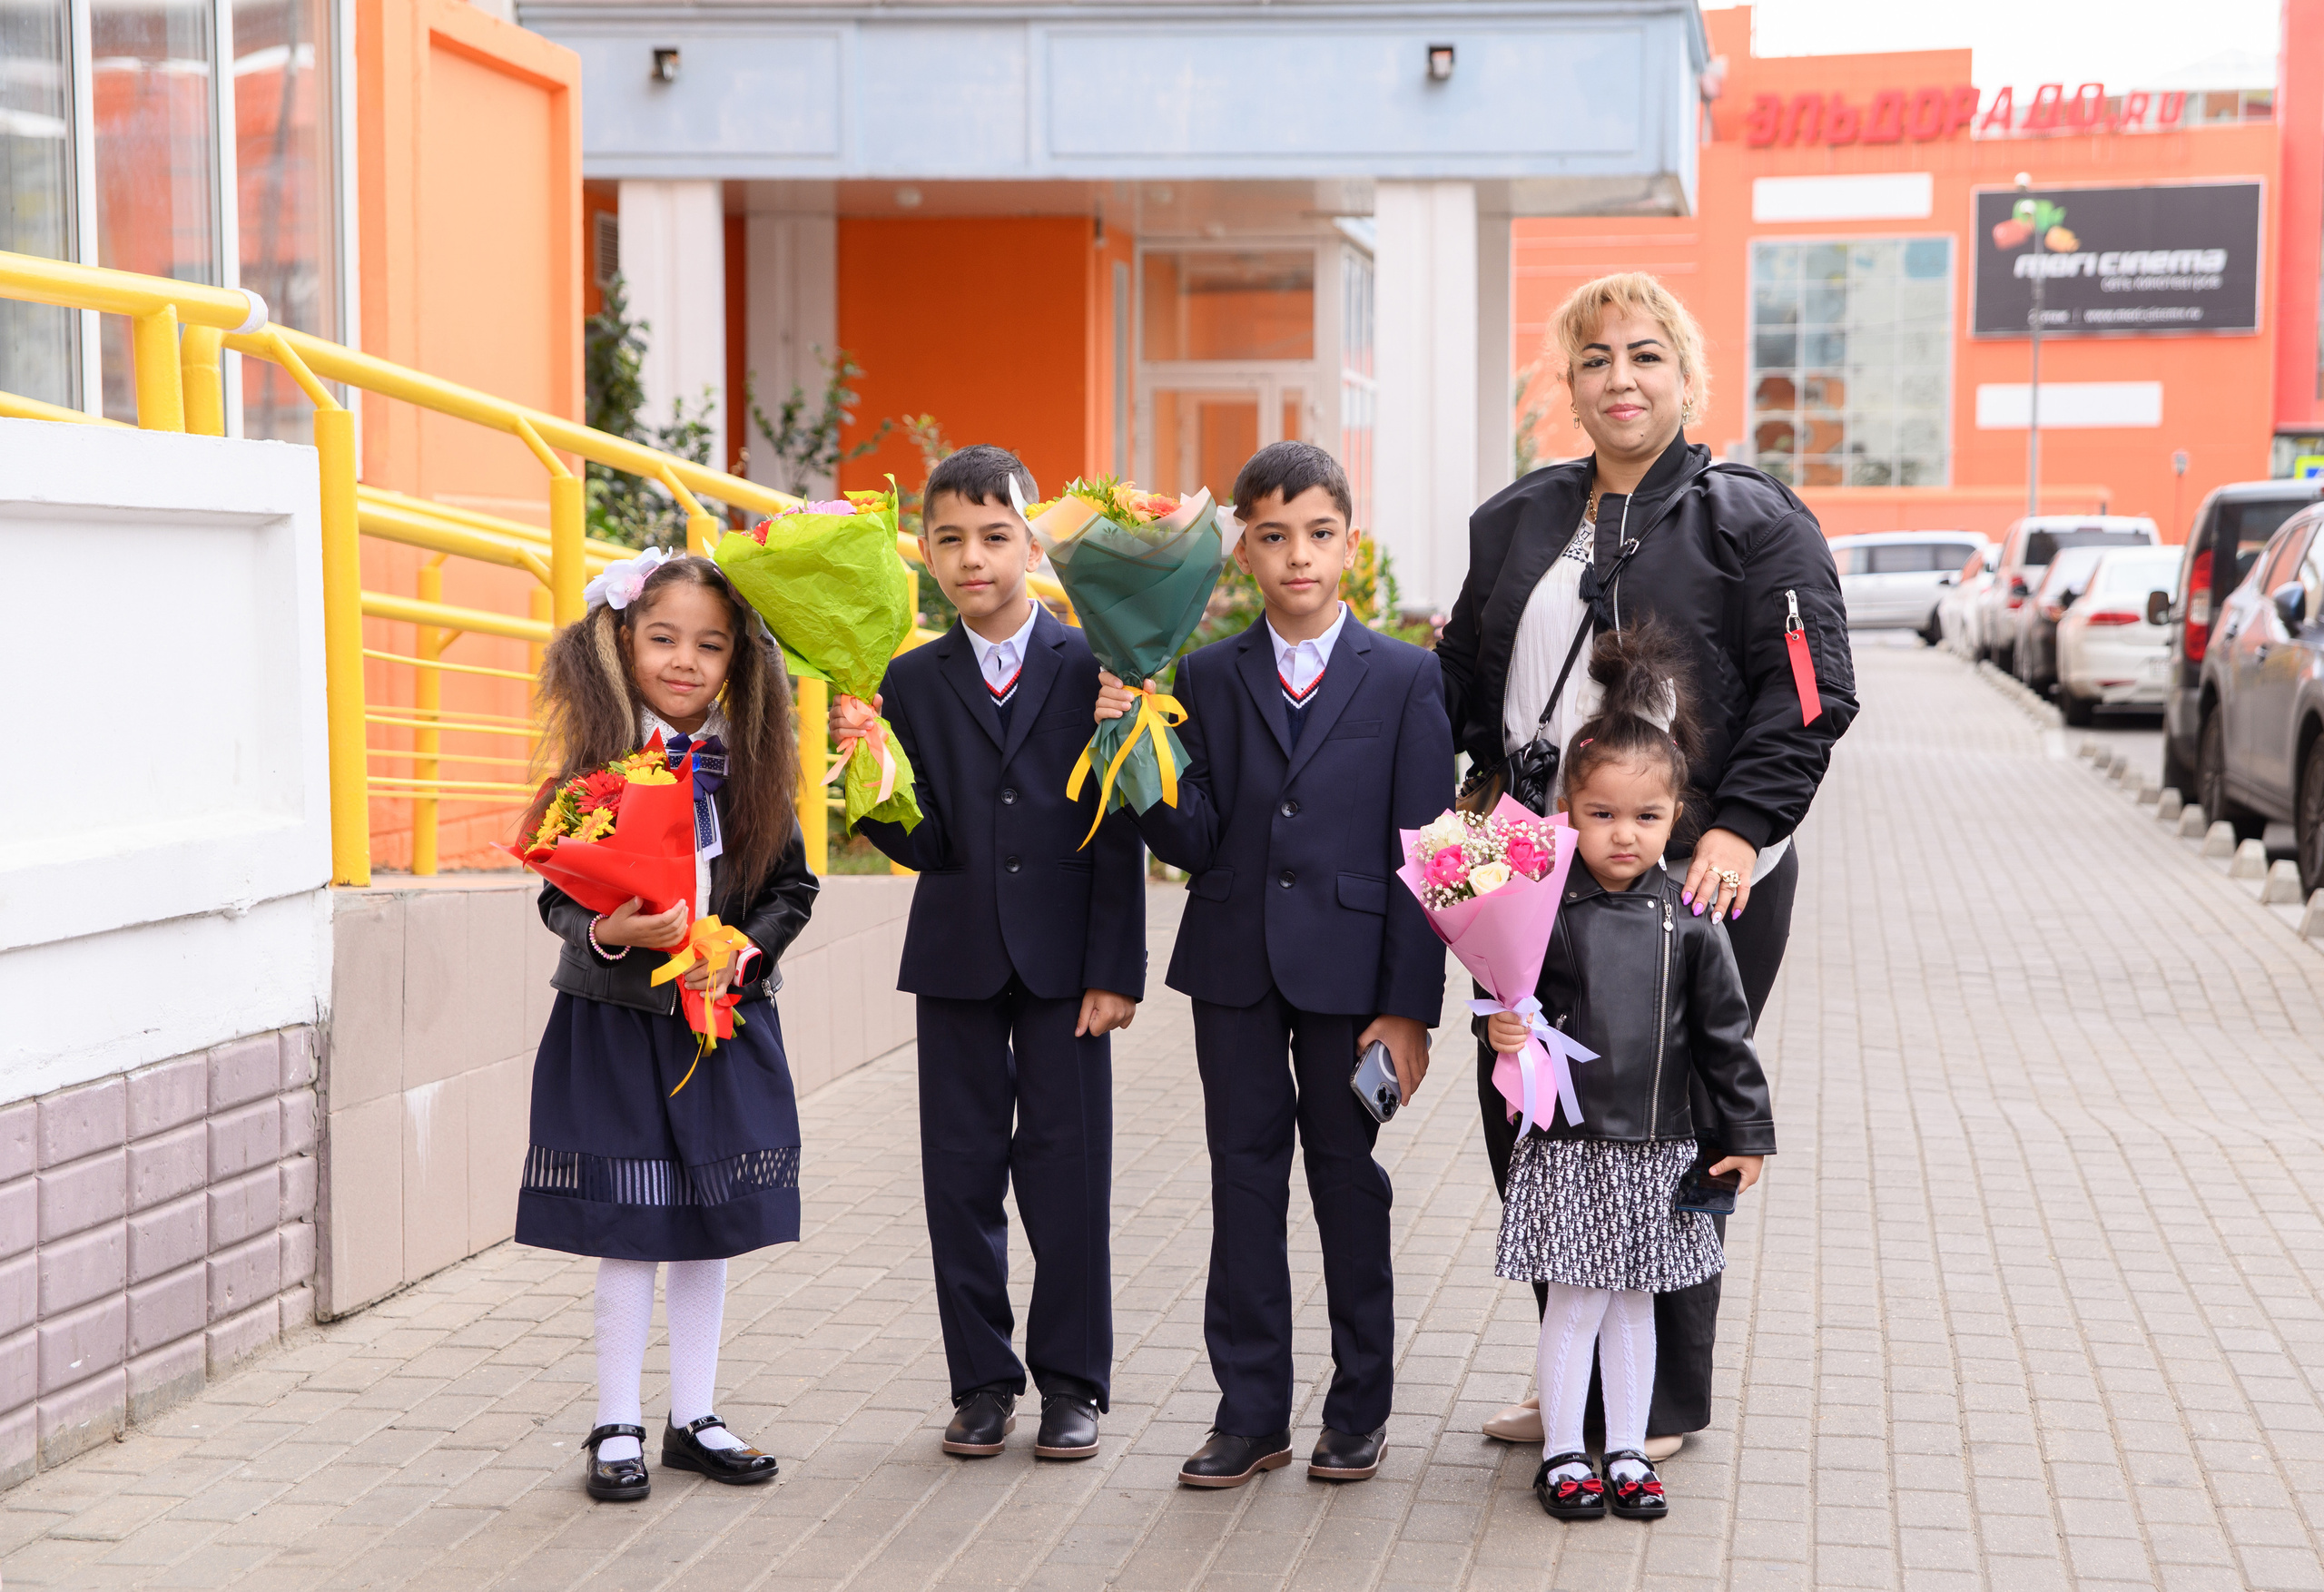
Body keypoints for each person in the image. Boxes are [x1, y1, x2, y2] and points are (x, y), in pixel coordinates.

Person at [1435, 271, 1854, 1454]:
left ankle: (1656, 1400)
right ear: (1567, 384)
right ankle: (1574, 1378)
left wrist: (1739, 825)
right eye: (1595, 357)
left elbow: (1813, 691)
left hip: (1686, 876)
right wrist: (1463, 795)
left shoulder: (1751, 519)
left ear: (1686, 376)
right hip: (1525, 870)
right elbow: (1462, 671)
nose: (1620, 377)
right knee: (1533, 1114)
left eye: (1646, 355)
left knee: (1668, 1121)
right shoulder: (1517, 517)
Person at [1095, 439, 1452, 1489]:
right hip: (1234, 972)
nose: (1298, 555)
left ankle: (1359, 1407)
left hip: (1355, 983)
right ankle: (1249, 1412)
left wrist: (1408, 1009)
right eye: (1272, 536)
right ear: (1241, 552)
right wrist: (1137, 757)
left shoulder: (1405, 676)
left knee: (1348, 1184)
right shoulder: (1203, 675)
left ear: (1351, 540)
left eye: (1319, 533)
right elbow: (1193, 839)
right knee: (1241, 1185)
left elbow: (1422, 851)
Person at [852, 446, 1146, 1462]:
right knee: (961, 1176)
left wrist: (1116, 968)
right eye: (948, 538)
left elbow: (1118, 828)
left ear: (1031, 541)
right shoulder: (908, 680)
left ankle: (1075, 1383)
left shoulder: (1097, 664)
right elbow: (922, 842)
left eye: (993, 534)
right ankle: (981, 1380)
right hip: (959, 959)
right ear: (925, 551)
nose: (971, 556)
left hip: (1070, 967)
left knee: (1068, 1177)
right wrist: (871, 778)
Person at [517, 550, 820, 1503]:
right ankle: (614, 1419)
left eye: (709, 644)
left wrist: (746, 951)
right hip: (611, 1023)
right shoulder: (595, 766)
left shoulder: (752, 765)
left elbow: (791, 888)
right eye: (663, 638)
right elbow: (557, 895)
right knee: (629, 1224)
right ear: (621, 642)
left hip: (717, 1023)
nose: (684, 659)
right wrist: (607, 930)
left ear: (737, 660)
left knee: (707, 1224)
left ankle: (694, 1413)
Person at [1487, 621, 1776, 1521]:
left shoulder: (1693, 922)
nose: (1623, 833)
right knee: (1572, 1304)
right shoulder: (1544, 913)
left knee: (1635, 1306)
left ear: (1676, 817)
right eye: (1602, 813)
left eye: (1646, 817)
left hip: (1657, 1148)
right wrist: (1504, 1025)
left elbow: (1726, 1038)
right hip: (1574, 1143)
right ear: (1568, 809)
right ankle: (1567, 1448)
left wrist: (1745, 1134)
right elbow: (1518, 1002)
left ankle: (1626, 1447)